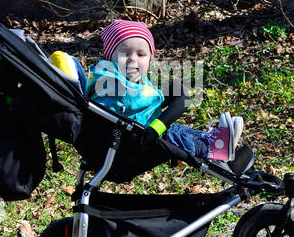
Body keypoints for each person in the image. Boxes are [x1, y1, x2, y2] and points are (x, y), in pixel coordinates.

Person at [85, 19, 243, 162]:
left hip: (134, 133)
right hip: (127, 144)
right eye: (125, 53)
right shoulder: (112, 84)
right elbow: (109, 120)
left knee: (176, 128)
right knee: (171, 135)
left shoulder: (118, 77)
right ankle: (211, 148)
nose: (133, 59)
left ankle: (209, 140)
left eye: (141, 54)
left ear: (149, 60)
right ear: (109, 56)